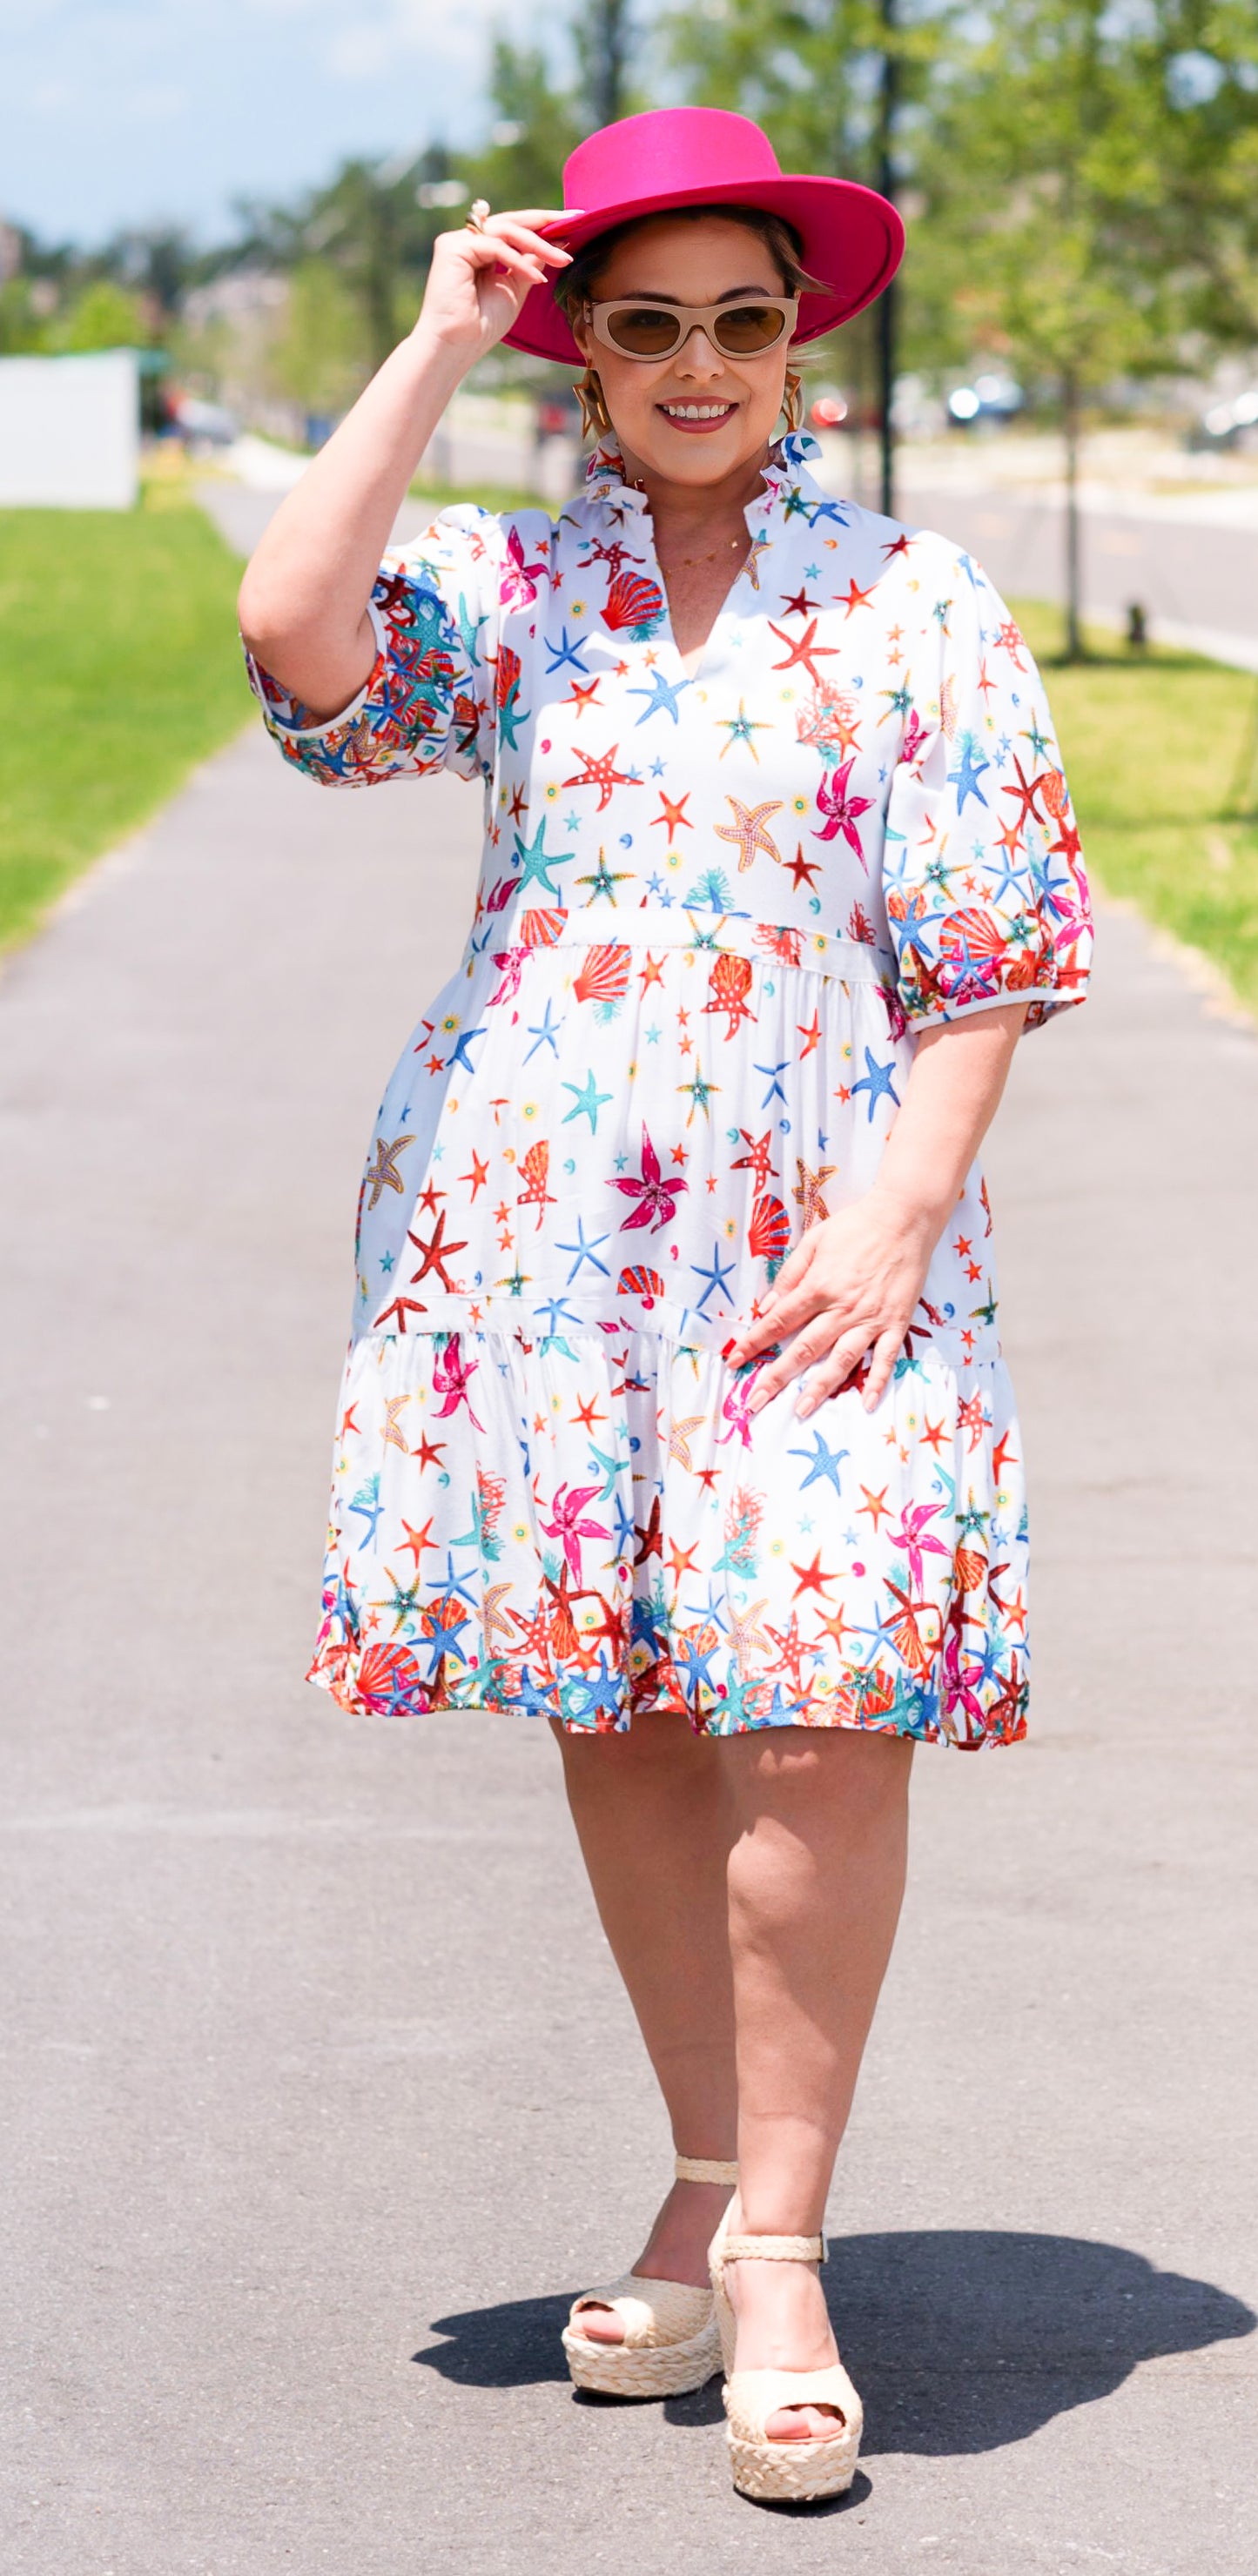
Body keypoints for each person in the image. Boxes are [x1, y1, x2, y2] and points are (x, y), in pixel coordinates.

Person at [237, 106, 1092, 2506]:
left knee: (821, 1707)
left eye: (744, 319)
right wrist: (424, 343)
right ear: (580, 350)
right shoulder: (510, 592)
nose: (701, 363)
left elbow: (995, 946)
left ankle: (792, 2260)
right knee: (619, 1708)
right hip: (537, 1232)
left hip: (824, 1232)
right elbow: (296, 639)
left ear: (798, 345)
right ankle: (712, 2186)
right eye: (648, 324)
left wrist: (900, 1211)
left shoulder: (910, 602)